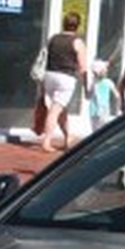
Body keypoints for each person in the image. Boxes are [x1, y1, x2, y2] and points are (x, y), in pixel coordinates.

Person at [37, 9, 86, 150]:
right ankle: (46, 141)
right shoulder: (77, 42)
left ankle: (67, 136)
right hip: (66, 78)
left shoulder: (53, 39)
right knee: (55, 111)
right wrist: (86, 82)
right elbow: (82, 66)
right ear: (77, 26)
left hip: (49, 76)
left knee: (60, 109)